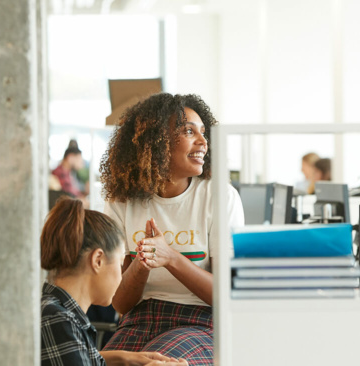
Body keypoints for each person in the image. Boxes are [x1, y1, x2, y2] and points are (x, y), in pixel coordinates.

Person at [99, 93, 244, 366]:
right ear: (155, 142)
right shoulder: (121, 202)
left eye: (203, 132)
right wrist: (142, 264)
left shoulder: (220, 197)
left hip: (201, 322)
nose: (203, 142)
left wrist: (170, 258)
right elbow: (120, 304)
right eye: (189, 131)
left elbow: (226, 295)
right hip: (140, 318)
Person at [40, 196, 188, 366]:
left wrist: (125, 357)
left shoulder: (58, 312)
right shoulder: (59, 320)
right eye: (119, 264)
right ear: (98, 261)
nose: (121, 277)